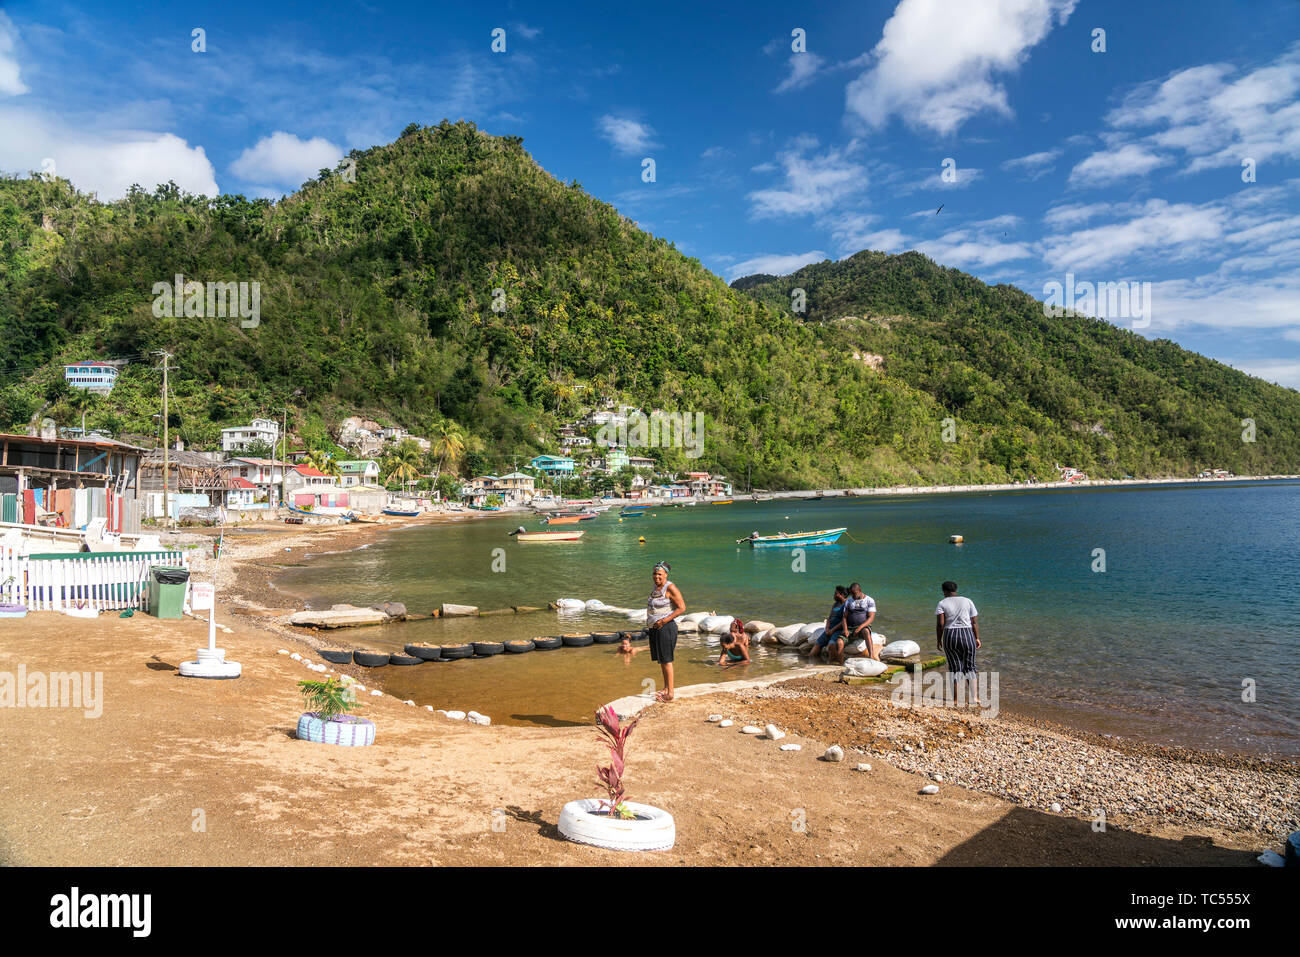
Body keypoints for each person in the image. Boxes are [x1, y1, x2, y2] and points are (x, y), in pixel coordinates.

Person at [935, 580, 981, 705]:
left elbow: (941, 624)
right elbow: (974, 622)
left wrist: (939, 639)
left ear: (944, 591)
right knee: (970, 666)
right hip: (967, 634)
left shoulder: (942, 603)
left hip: (951, 636)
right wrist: (976, 637)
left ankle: (956, 699)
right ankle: (975, 698)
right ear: (956, 589)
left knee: (955, 668)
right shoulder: (968, 601)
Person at [646, 561, 686, 701]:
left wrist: (664, 620)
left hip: (666, 628)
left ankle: (670, 693)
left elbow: (681, 608)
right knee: (662, 660)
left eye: (660, 574)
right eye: (654, 573)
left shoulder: (670, 587)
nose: (656, 576)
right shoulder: (656, 587)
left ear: (666, 574)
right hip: (655, 628)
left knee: (667, 660)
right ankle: (665, 687)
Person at [811, 585, 850, 663]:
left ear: (842, 595)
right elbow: (829, 618)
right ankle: (810, 660)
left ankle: (831, 662)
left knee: (831, 644)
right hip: (829, 629)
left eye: (836, 593)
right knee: (818, 644)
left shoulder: (847, 605)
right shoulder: (835, 604)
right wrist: (827, 629)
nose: (834, 595)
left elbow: (844, 621)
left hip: (838, 630)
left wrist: (833, 630)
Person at [844, 582, 878, 659]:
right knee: (839, 641)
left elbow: (871, 618)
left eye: (855, 593)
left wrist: (859, 628)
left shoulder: (869, 600)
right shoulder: (849, 601)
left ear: (860, 590)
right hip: (850, 628)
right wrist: (845, 629)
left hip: (863, 627)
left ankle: (871, 656)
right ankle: (840, 660)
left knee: (866, 631)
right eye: (852, 594)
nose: (854, 596)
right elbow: (844, 617)